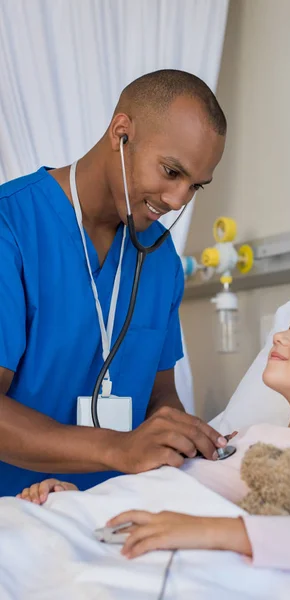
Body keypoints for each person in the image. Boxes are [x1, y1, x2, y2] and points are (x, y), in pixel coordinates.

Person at [21, 294, 290, 574]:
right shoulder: (237, 436)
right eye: (289, 324)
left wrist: (211, 530)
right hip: (96, 524)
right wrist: (78, 502)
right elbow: (164, 487)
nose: (280, 336)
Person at [0, 69, 229, 497]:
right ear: (121, 132)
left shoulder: (160, 259)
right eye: (171, 171)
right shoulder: (11, 226)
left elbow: (160, 396)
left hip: (112, 519)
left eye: (195, 185)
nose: (178, 200)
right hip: (14, 518)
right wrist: (119, 448)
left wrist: (184, 438)